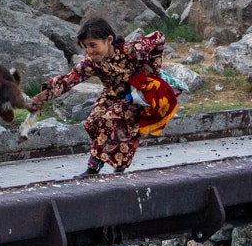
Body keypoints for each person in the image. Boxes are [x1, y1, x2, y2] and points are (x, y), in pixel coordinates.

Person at [29, 16, 166, 177]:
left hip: (136, 96)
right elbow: (69, 80)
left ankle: (93, 168)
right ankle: (119, 156)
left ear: (108, 40)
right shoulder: (90, 63)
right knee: (91, 123)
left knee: (110, 119)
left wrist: (151, 71)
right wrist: (40, 97)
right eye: (85, 47)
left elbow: (159, 36)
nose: (89, 51)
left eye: (93, 45)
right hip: (111, 95)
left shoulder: (132, 50)